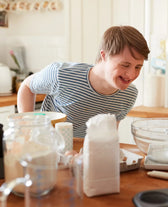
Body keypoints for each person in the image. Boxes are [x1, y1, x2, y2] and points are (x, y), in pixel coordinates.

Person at [17, 25, 150, 138]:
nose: (131, 74)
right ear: (104, 56)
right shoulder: (61, 74)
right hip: (48, 147)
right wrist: (28, 130)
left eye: (138, 67)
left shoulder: (128, 94)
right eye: (125, 65)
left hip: (87, 154)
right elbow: (27, 86)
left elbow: (110, 134)